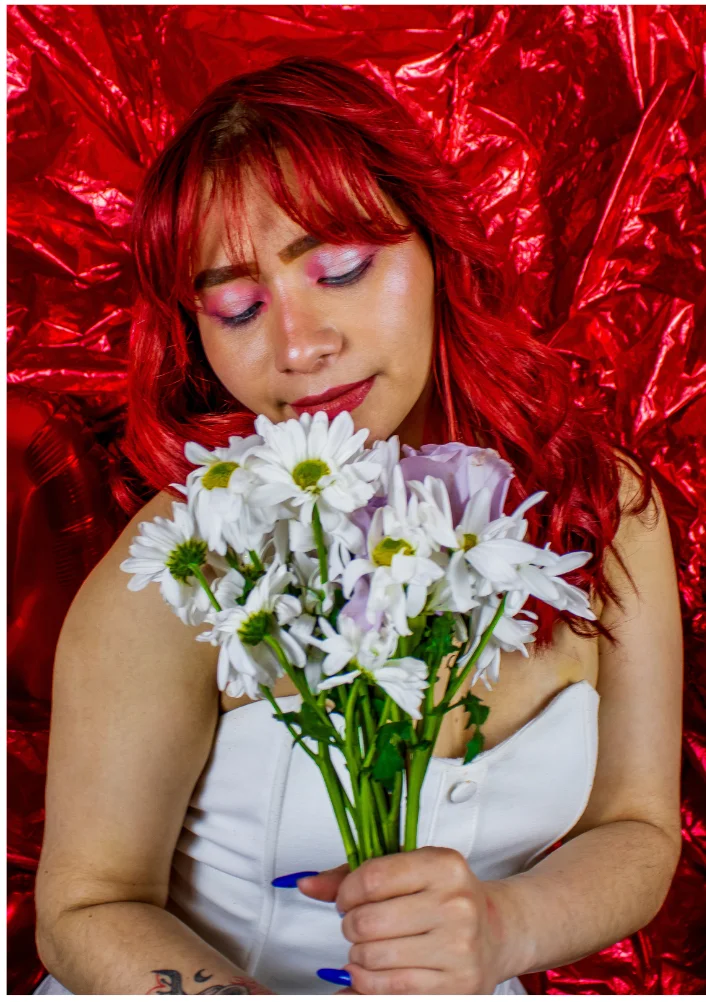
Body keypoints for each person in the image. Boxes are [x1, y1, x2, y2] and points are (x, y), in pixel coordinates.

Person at [33, 56, 683, 996]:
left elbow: (639, 828)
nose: (300, 347)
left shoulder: (604, 508)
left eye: (339, 270)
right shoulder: (188, 562)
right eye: (238, 307)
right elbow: (85, 906)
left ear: (436, 244)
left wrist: (505, 928)